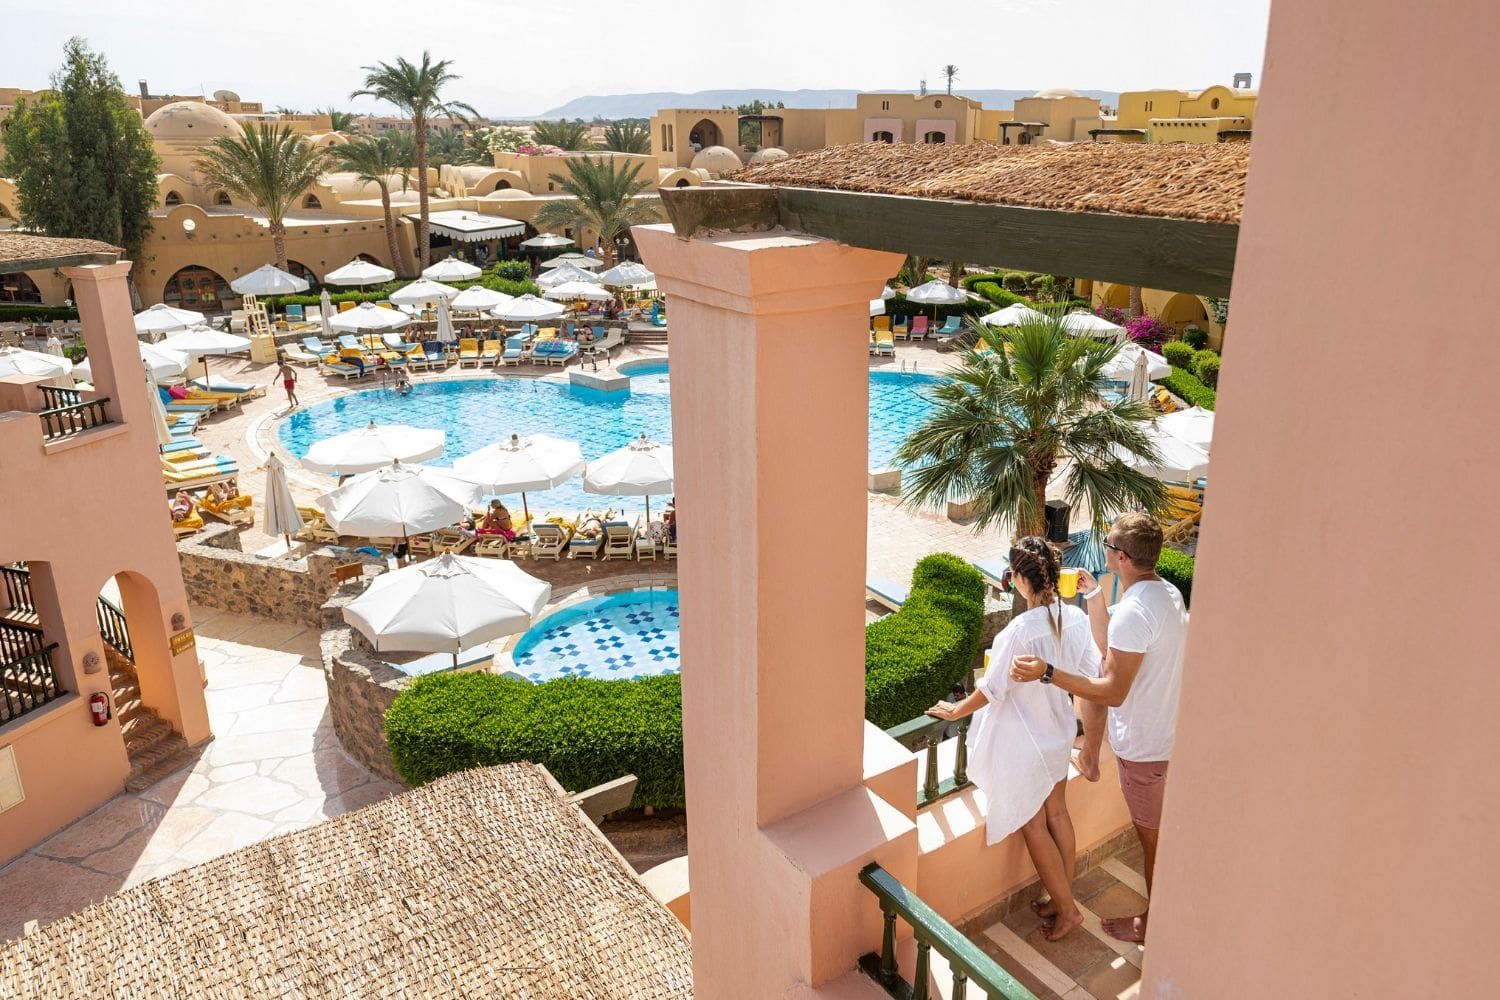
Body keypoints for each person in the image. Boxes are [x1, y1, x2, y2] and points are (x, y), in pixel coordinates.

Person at [1011, 513, 1188, 944]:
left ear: (1121, 557)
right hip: (1167, 733)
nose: (1104, 550)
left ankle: (1153, 923)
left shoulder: (1134, 612)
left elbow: (1110, 689)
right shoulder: (1166, 594)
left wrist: (1049, 672)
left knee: (1153, 843)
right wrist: (1094, 599)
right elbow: (1115, 653)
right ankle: (1089, 757)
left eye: (1107, 545)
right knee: (1157, 836)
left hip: (1147, 747)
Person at [927, 537, 1100, 941]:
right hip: (1059, 735)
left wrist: (955, 710)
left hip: (1027, 746)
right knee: (1058, 813)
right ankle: (1060, 895)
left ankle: (1068, 910)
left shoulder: (1021, 630)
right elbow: (1092, 670)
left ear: (1021, 579)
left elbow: (991, 690)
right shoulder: (1074, 619)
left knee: (1034, 824)